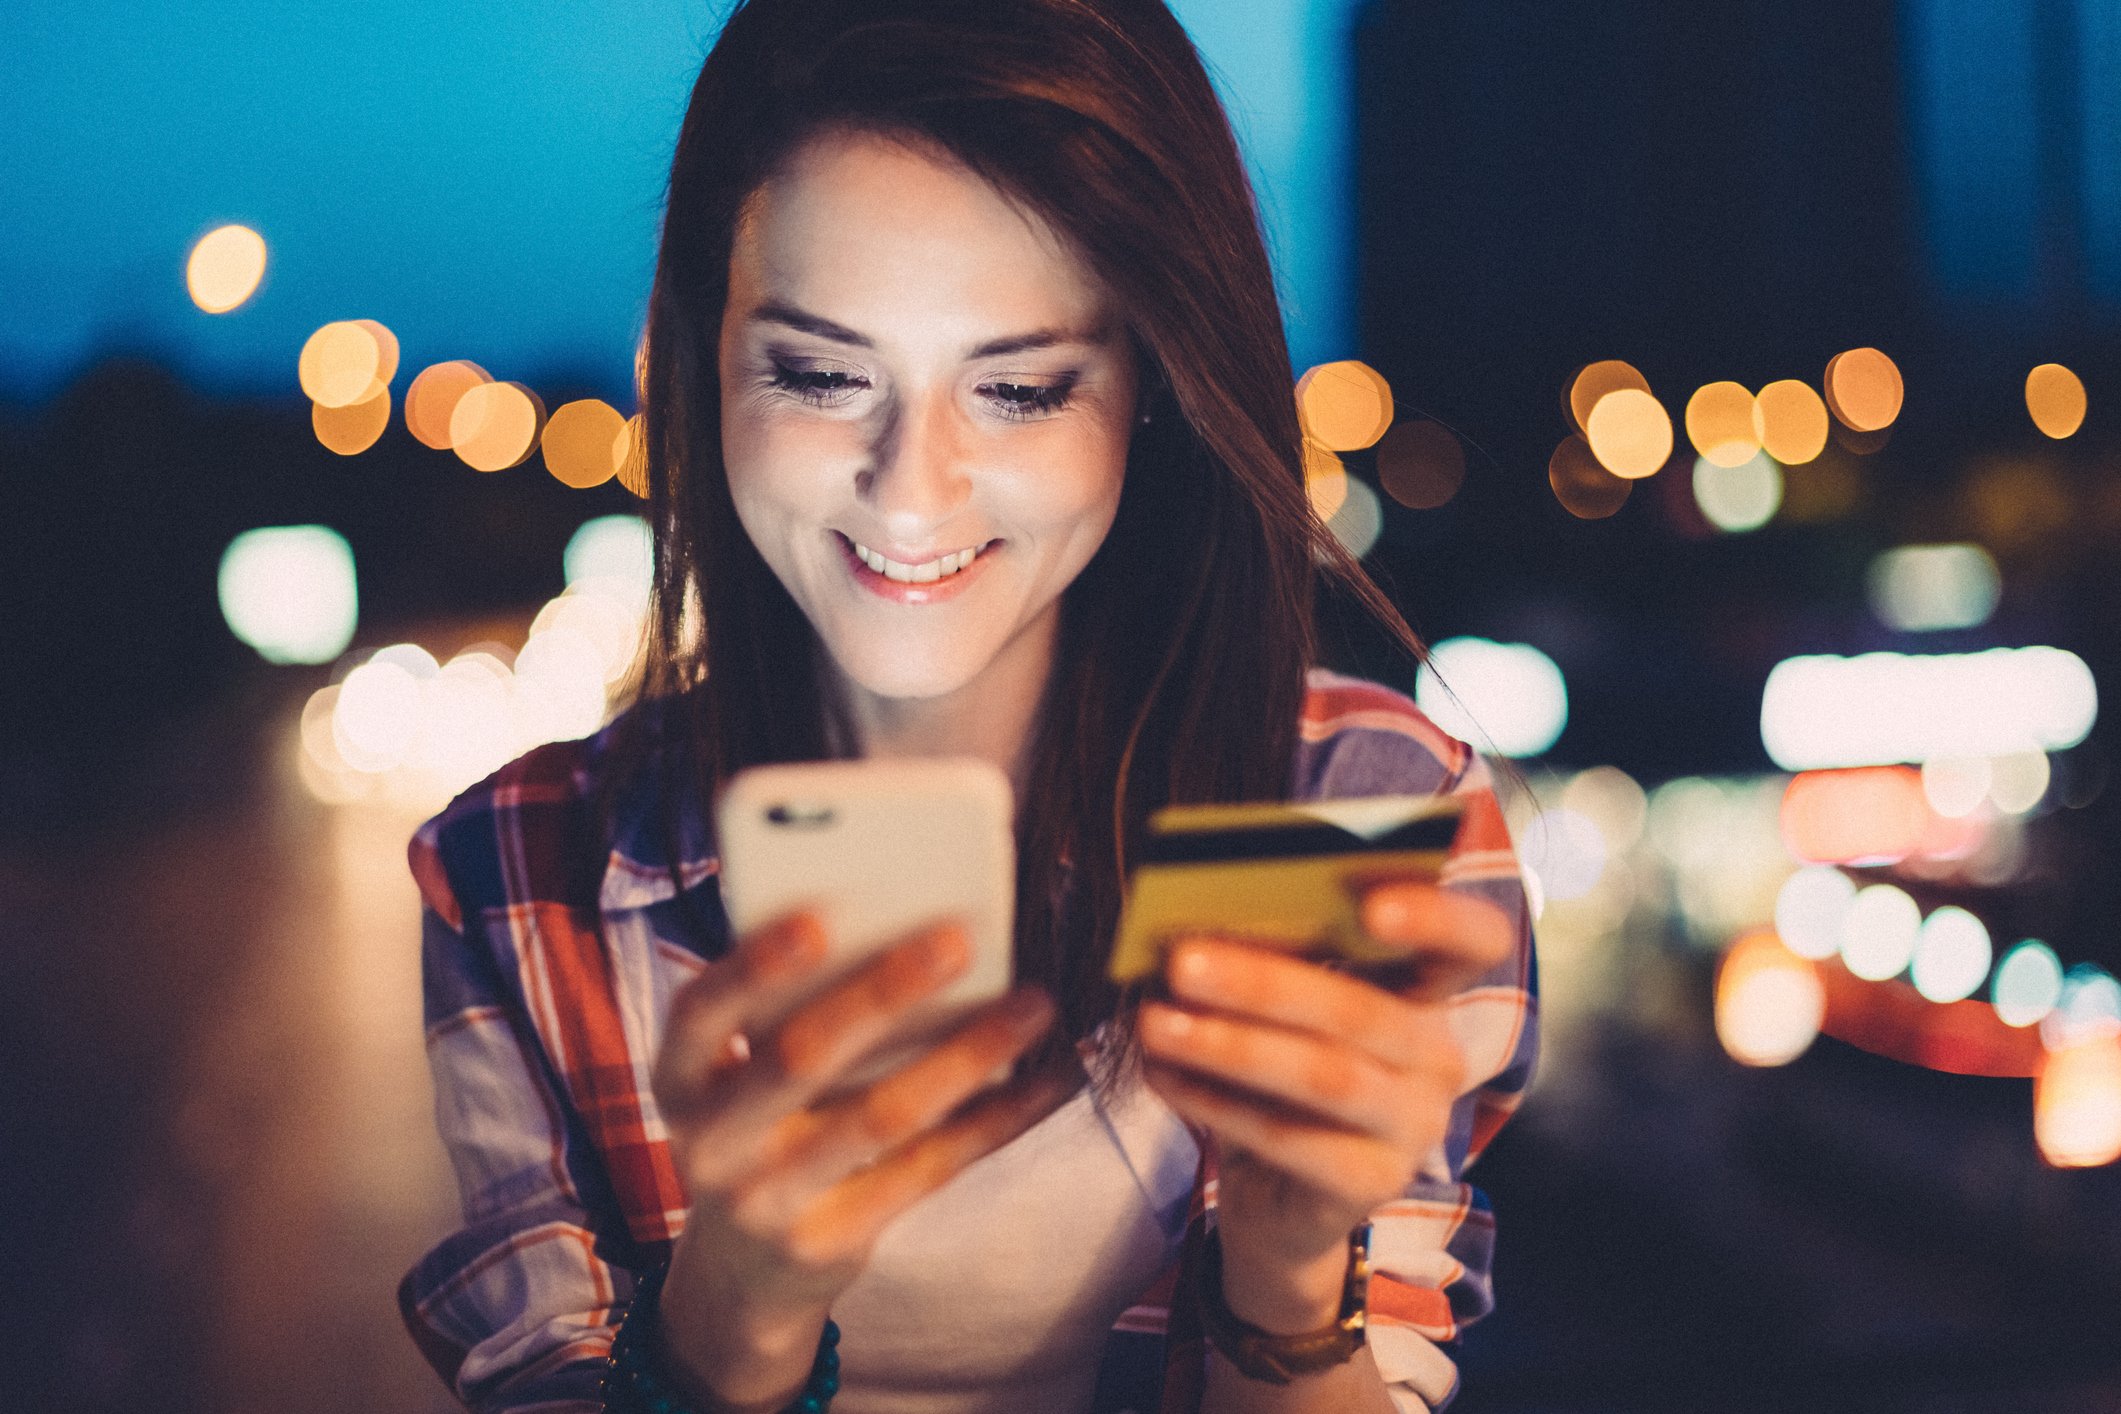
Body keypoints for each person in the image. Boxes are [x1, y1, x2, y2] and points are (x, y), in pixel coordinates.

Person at [398, 2, 1538, 1411]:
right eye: (820, 374)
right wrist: (734, 1310)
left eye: (1016, 388)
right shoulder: (526, 873)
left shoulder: (1355, 799)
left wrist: (1291, 1279)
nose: (911, 489)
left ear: (1150, 392)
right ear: (703, 360)